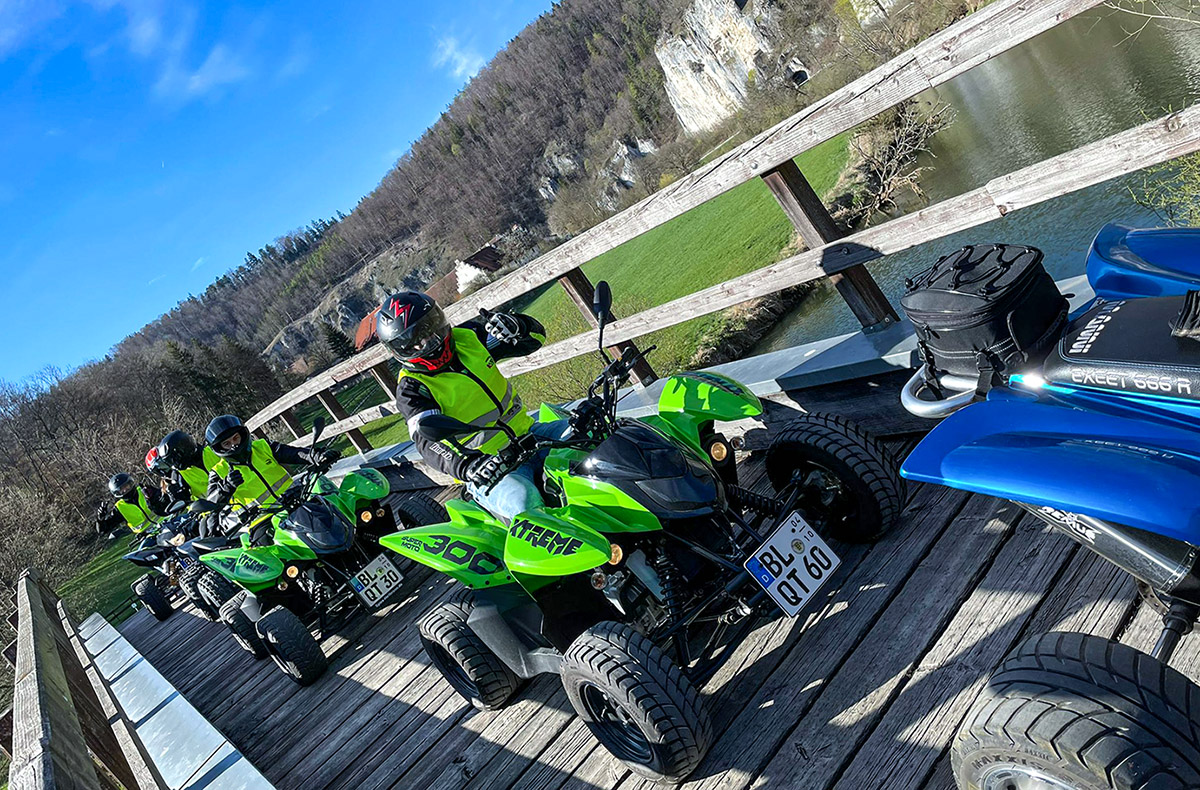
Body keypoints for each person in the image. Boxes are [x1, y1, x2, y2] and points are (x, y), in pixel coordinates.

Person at [375, 291, 566, 523]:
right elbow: (427, 441)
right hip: (491, 466)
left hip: (532, 433)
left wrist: (519, 325)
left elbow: (534, 339)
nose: (431, 341)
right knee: (524, 503)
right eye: (416, 341)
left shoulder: (470, 336)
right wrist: (468, 466)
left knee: (594, 435)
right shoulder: (413, 388)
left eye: (430, 328)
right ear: (400, 349)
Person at [203, 415, 340, 523]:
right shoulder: (219, 471)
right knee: (265, 550)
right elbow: (210, 503)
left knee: (333, 514)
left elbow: (293, 453)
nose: (234, 445)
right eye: (227, 444)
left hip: (296, 501)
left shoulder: (263, 446)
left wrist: (316, 456)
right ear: (219, 448)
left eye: (236, 438)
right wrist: (226, 487)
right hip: (262, 520)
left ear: (242, 435)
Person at [155, 430, 219, 504]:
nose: (174, 465)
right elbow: (187, 504)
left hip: (230, 500)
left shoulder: (213, 451)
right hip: (217, 509)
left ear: (183, 449)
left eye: (174, 459)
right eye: (171, 462)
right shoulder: (180, 476)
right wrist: (179, 498)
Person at [95, 472, 169, 535]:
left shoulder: (145, 490)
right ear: (117, 493)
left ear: (131, 483)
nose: (125, 490)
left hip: (167, 523)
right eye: (121, 490)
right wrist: (100, 520)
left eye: (126, 486)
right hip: (148, 535)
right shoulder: (120, 508)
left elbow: (165, 499)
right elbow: (103, 530)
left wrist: (153, 499)